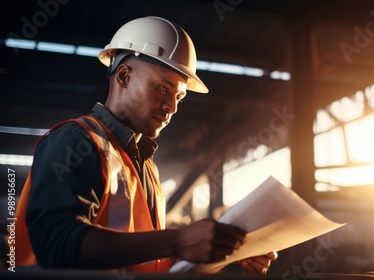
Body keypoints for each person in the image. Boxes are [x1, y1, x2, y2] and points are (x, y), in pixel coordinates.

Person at [13, 16, 278, 273]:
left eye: (179, 96)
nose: (172, 107)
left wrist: (222, 251)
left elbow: (148, 259)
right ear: (124, 76)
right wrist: (178, 240)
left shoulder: (147, 167)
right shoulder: (76, 139)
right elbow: (55, 245)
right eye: (163, 88)